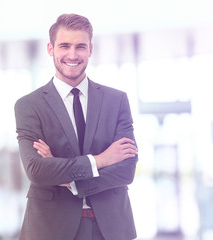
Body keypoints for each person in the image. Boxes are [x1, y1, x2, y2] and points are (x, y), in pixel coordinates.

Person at [14, 13, 138, 240]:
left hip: (110, 229)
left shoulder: (117, 101)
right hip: (49, 229)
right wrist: (101, 160)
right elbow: (37, 170)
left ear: (90, 49)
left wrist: (67, 179)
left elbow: (126, 168)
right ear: (50, 49)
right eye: (64, 46)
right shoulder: (28, 106)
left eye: (80, 46)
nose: (72, 54)